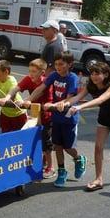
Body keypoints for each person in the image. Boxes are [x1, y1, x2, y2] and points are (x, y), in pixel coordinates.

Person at [25, 51, 86, 187]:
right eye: (56, 64)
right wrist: (29, 99)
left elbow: (70, 97)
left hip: (69, 117)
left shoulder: (72, 78)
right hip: (56, 116)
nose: (58, 67)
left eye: (61, 64)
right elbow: (41, 88)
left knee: (68, 147)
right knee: (57, 145)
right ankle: (61, 172)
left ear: (69, 64)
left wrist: (56, 104)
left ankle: (78, 158)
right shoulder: (53, 75)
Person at [65, 62, 110, 191]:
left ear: (105, 74)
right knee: (98, 148)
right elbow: (77, 97)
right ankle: (98, 179)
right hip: (103, 119)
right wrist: (61, 104)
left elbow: (100, 100)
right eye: (92, 74)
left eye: (97, 73)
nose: (94, 77)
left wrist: (80, 107)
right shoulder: (91, 85)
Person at [0, 58, 56, 178]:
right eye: (30, 71)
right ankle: (40, 161)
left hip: (46, 116)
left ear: (42, 73)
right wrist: (7, 98)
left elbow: (39, 93)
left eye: (34, 71)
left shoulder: (46, 82)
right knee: (33, 139)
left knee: (46, 142)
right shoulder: (28, 79)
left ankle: (51, 167)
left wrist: (28, 100)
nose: (30, 74)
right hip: (34, 114)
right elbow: (15, 89)